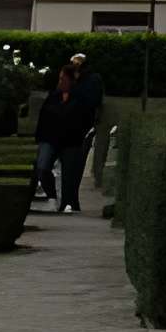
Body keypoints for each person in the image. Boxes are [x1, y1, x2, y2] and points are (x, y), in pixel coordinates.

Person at [34, 52, 106, 214]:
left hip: (71, 138)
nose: (60, 82)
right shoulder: (55, 96)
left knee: (70, 174)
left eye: (63, 79)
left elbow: (85, 113)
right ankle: (56, 197)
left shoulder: (81, 95)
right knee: (43, 167)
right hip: (52, 137)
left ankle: (68, 202)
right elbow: (45, 115)